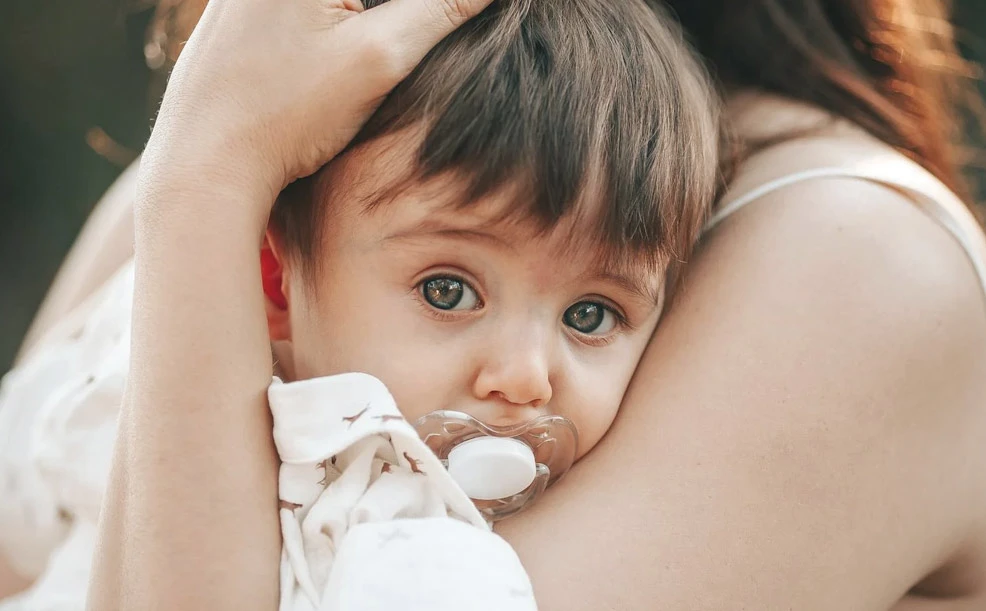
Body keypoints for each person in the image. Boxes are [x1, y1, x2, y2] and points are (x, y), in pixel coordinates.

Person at [5, 0, 986, 609]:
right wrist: (206, 159)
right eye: (446, 291)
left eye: (593, 314)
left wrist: (209, 171)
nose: (521, 374)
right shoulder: (246, 146)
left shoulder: (851, 259)